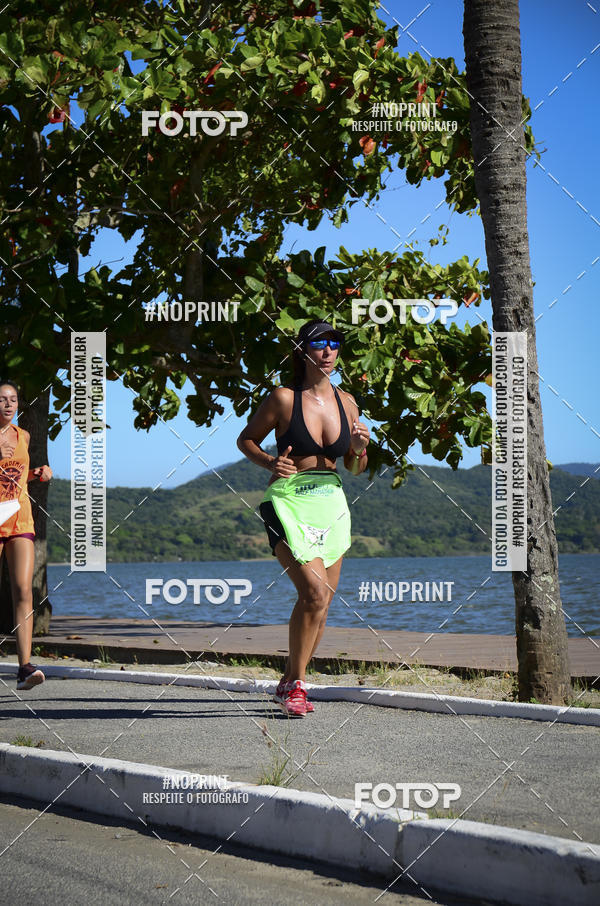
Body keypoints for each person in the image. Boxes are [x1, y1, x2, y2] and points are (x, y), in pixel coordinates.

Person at [236, 321, 370, 717]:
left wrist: (359, 449)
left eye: (334, 343)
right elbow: (246, 439)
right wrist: (269, 462)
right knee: (312, 592)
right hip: (289, 502)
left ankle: (290, 681)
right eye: (319, 344)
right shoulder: (283, 398)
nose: (328, 351)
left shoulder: (348, 402)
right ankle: (296, 686)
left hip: (332, 503)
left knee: (322, 601)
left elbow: (355, 468)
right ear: (302, 350)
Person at [0, 381, 53, 690]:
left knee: (24, 590)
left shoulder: (24, 436)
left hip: (19, 518)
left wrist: (37, 474)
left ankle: (24, 667)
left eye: (13, 399)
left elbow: (16, 477)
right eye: (2, 399)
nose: (9, 404)